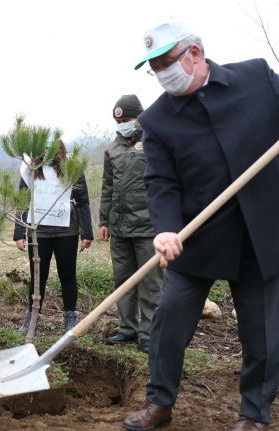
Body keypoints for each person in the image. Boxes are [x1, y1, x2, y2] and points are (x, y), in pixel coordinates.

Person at [121, 21, 279, 431]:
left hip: (261, 236)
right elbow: (161, 183)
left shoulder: (253, 78)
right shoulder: (157, 120)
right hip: (197, 238)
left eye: (166, 61)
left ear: (194, 54)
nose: (161, 73)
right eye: (154, 67)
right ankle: (159, 402)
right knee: (168, 321)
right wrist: (165, 229)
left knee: (262, 335)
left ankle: (254, 414)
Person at [100, 95, 162, 353]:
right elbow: (107, 187)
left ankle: (149, 333)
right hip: (120, 227)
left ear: (139, 117)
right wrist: (104, 220)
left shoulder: (154, 141)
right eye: (119, 121)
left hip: (148, 226)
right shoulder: (112, 149)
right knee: (123, 280)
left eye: (127, 120)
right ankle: (127, 328)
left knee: (150, 283)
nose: (123, 124)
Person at [13, 140, 93, 333]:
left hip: (67, 230)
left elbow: (83, 202)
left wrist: (86, 233)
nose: (49, 152)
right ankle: (32, 318)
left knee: (68, 275)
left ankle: (70, 317)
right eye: (44, 148)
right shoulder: (30, 169)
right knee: (38, 276)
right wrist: (19, 233)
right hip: (38, 232)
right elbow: (22, 202)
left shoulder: (72, 168)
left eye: (53, 149)